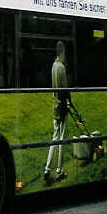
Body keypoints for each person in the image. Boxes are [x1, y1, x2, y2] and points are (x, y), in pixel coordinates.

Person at [44, 41, 69, 184]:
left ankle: (47, 168)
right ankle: (59, 170)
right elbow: (65, 90)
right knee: (62, 140)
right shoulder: (61, 67)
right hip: (62, 108)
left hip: (55, 107)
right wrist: (69, 101)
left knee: (54, 138)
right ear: (62, 52)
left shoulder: (53, 66)